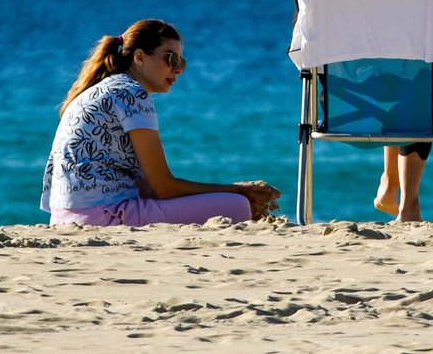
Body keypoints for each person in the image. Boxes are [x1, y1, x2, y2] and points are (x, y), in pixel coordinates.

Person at [41, 19, 280, 226]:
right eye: (171, 58)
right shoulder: (132, 94)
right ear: (140, 57)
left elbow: (148, 187)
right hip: (103, 216)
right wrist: (238, 190)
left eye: (182, 61)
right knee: (237, 205)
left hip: (64, 217)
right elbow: (164, 187)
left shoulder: (99, 89)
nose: (178, 69)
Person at [304, 0, 433, 222]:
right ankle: (409, 203)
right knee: (417, 82)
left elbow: (301, 54)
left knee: (387, 80)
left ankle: (390, 184)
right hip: (411, 116)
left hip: (340, 112)